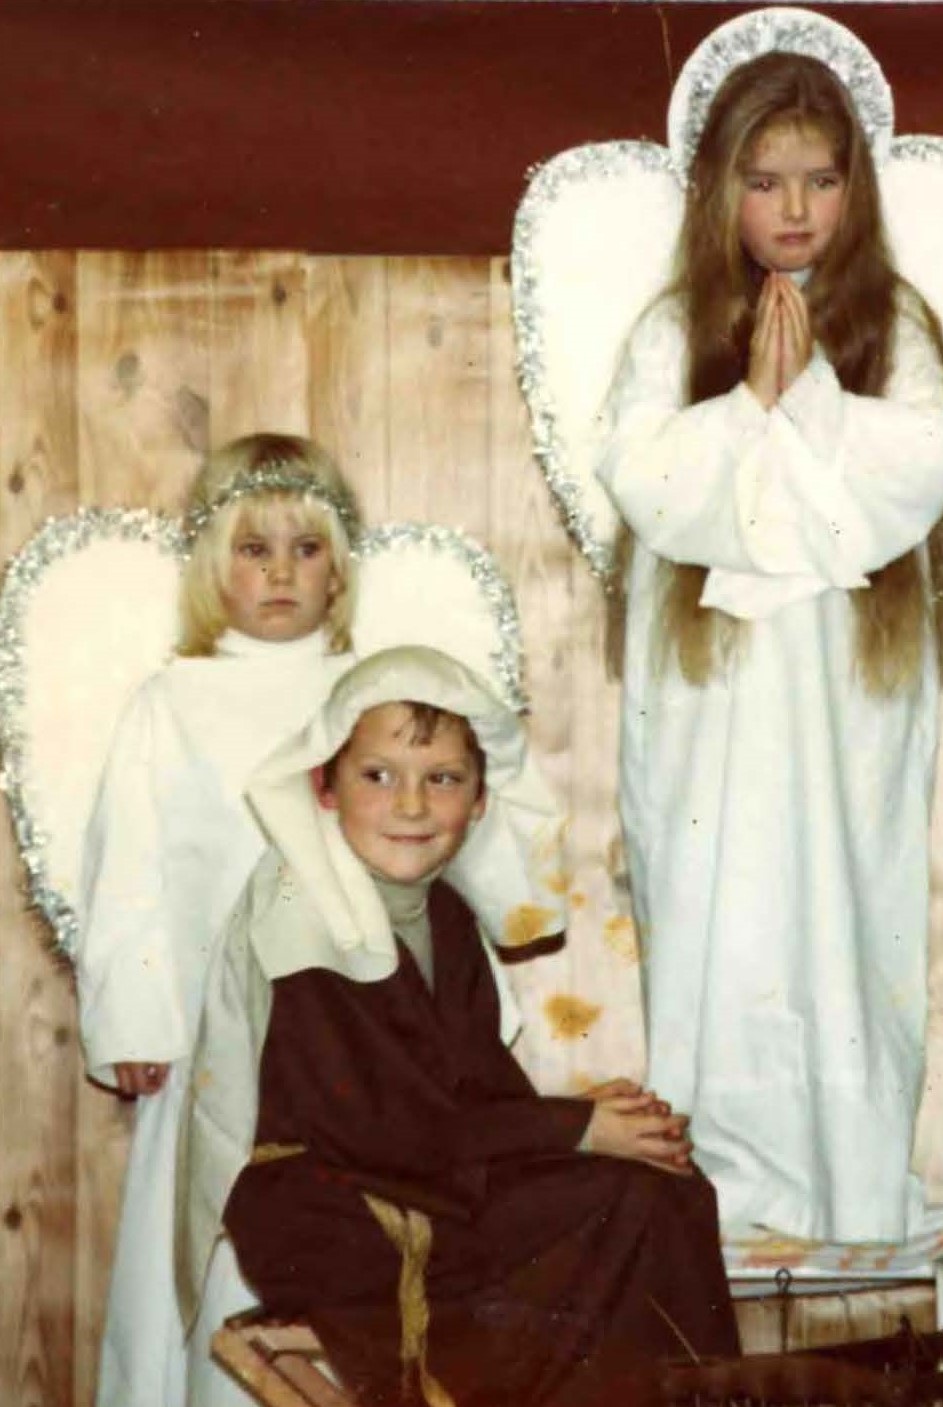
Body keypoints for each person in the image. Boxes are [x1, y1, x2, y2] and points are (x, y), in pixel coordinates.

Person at [595, 50, 943, 1242]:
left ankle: (850, 1201)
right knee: (721, 916)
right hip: (713, 699)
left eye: (821, 181)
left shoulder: (893, 325)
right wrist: (749, 406)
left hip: (842, 693)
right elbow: (648, 475)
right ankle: (718, 1212)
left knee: (841, 927)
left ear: (855, 186)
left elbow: (921, 463)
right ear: (722, 190)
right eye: (767, 183)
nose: (797, 212)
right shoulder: (673, 328)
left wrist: (809, 397)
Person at [178, 646, 740, 1407]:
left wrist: (590, 1119)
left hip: (414, 1180)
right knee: (626, 1202)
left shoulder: (441, 912)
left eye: (441, 779)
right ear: (324, 786)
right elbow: (370, 1124)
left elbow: (471, 1089)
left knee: (663, 1187)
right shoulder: (300, 913)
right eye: (378, 776)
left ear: (479, 801)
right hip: (331, 1212)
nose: (411, 806)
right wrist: (574, 1129)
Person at [79, 432, 361, 1407]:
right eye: (254, 548)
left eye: (305, 548)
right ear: (213, 567)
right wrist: (134, 1020)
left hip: (352, 1054)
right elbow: (131, 868)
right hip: (206, 1040)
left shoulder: (367, 696)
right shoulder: (173, 702)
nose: (281, 572)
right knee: (199, 1252)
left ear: (339, 569)